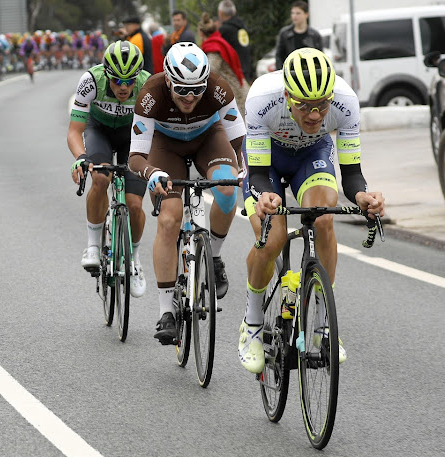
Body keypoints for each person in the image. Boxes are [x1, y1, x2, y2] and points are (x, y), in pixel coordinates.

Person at [237, 47, 386, 373]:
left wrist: (362, 196)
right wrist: (263, 196)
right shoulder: (263, 97)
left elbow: (351, 174)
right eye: (304, 105)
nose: (315, 115)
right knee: (272, 237)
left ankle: (322, 323)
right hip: (269, 162)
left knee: (324, 218)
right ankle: (251, 324)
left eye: (321, 105)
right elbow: (259, 174)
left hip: (311, 155)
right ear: (288, 95)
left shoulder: (346, 102)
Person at [128, 42, 245, 345]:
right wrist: (152, 174)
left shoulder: (219, 89)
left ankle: (215, 257)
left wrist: (245, 170)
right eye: (181, 90)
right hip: (166, 148)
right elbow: (136, 157)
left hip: (209, 139)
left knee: (227, 188)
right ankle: (166, 310)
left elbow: (238, 140)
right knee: (169, 219)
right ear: (167, 80)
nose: (190, 97)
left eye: (197, 90)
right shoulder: (151, 94)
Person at [68, 41, 152, 297]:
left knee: (135, 205)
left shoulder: (147, 86)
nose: (124, 87)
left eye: (129, 81)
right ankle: (93, 245)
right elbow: (74, 131)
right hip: (99, 131)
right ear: (106, 74)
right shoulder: (91, 81)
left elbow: (155, 134)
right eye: (117, 81)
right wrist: (80, 158)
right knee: (101, 178)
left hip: (132, 137)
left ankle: (135, 262)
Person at [198, 12, 249, 117]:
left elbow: (210, 70)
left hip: (235, 94)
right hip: (238, 89)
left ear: (201, 33)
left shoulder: (213, 48)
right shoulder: (219, 42)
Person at [274, 1, 323, 70]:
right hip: (290, 72)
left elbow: (320, 58)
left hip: (310, 73)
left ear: (306, 15)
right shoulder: (284, 33)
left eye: (298, 13)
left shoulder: (315, 35)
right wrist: (281, 72)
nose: (294, 16)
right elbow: (279, 56)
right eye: (292, 13)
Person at [217, 0, 253, 80]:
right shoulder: (242, 27)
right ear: (235, 11)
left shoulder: (225, 30)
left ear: (220, 13)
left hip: (234, 73)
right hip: (246, 69)